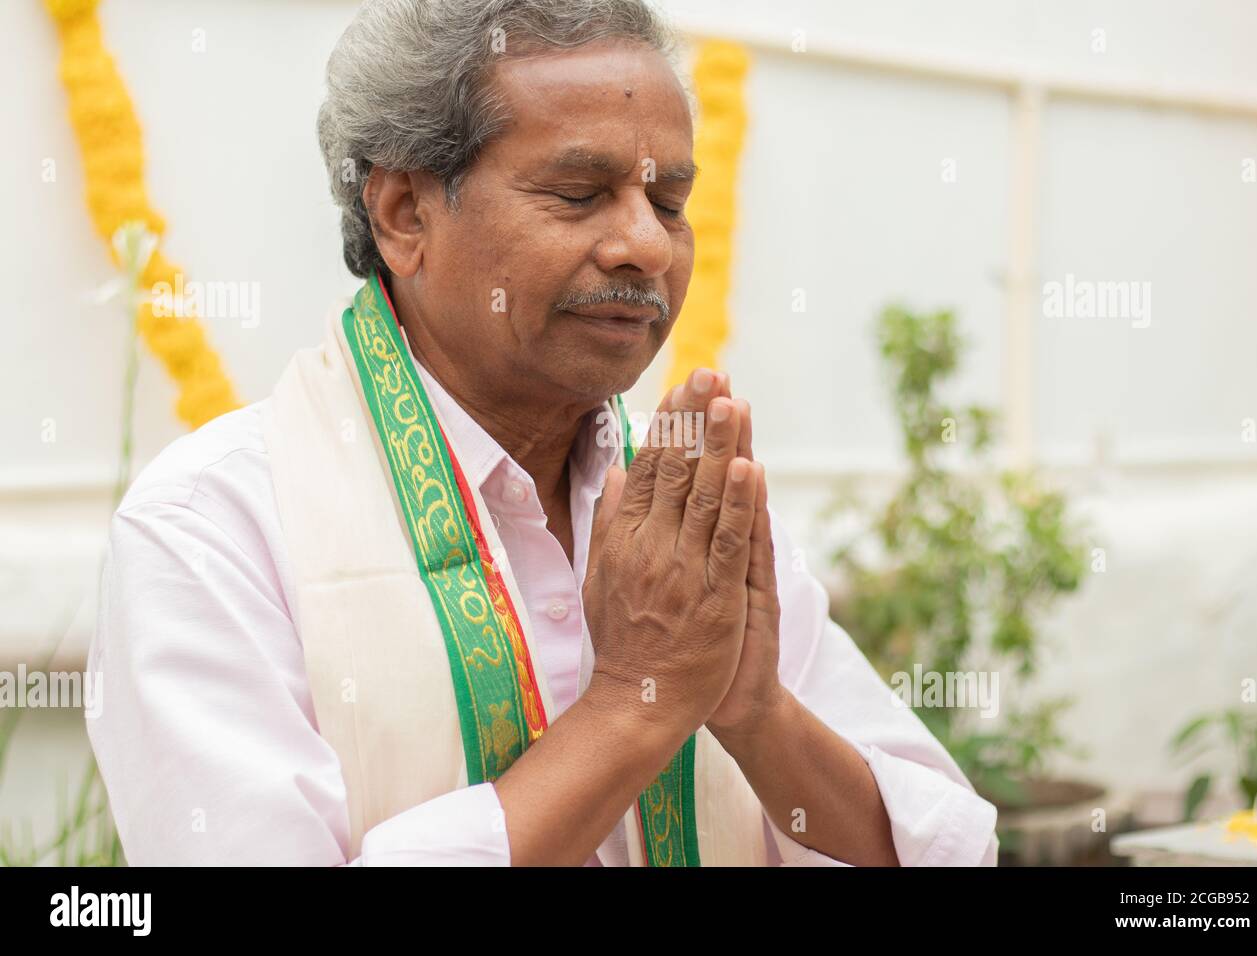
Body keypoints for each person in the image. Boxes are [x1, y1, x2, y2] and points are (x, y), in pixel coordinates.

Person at [88, 0, 997, 866]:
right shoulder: (210, 528)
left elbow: (944, 844)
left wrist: (755, 711)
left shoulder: (688, 510)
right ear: (405, 213)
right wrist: (633, 710)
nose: (646, 245)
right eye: (578, 192)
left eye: (670, 202)